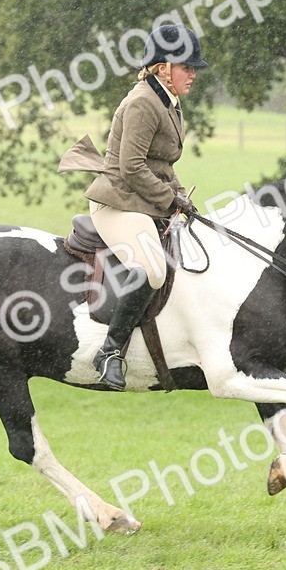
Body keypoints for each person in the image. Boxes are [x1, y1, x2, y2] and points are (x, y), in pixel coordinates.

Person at [81, 23, 207, 389]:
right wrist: (171, 200)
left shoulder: (169, 103)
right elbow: (131, 167)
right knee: (152, 269)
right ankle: (110, 352)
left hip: (142, 202)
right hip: (117, 204)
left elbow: (163, 166)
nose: (193, 74)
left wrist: (183, 197)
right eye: (188, 67)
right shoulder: (142, 102)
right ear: (163, 67)